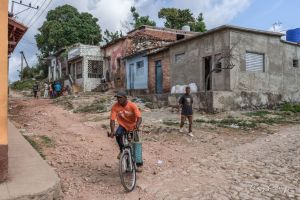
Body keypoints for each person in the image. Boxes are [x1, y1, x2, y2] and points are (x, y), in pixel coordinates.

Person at [108, 91, 143, 171]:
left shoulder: (132, 105)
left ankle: (138, 164)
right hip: (123, 125)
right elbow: (112, 120)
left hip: (133, 126)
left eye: (120, 97)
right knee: (118, 135)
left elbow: (139, 118)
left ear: (125, 98)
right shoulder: (115, 106)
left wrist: (137, 126)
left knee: (136, 145)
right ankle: (122, 151)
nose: (118, 99)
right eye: (117, 98)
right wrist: (112, 131)